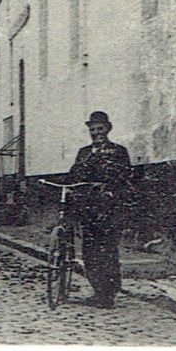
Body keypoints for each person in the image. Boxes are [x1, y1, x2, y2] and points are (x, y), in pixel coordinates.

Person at [66, 110, 133, 308]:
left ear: (108, 129)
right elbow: (75, 174)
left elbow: (124, 176)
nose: (96, 133)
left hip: (110, 208)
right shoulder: (84, 152)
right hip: (89, 209)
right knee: (90, 252)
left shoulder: (119, 151)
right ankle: (98, 291)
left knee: (108, 251)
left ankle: (109, 293)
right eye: (92, 129)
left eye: (100, 129)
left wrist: (110, 188)